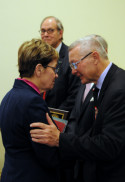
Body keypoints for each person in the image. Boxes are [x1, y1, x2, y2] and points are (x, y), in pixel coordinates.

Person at [30, 35, 125, 182]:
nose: (73, 71)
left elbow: (109, 145)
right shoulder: (103, 84)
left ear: (94, 57)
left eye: (75, 64)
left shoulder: (118, 89)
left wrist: (60, 139)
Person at [0, 39, 60, 182]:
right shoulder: (33, 102)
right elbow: (48, 156)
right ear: (39, 69)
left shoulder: (9, 96)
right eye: (54, 69)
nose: (56, 75)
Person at [39, 16, 81, 114]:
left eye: (50, 31)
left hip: (61, 118)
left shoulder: (71, 56)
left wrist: (55, 116)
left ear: (60, 33)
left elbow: (75, 93)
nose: (45, 34)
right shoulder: (37, 57)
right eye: (43, 31)